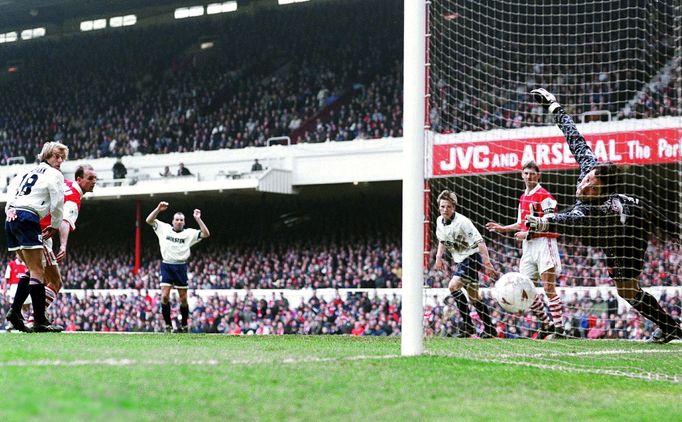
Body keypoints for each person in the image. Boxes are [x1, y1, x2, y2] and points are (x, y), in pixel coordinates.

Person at [526, 88, 682, 343]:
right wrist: (554, 105)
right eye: (587, 180)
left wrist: (544, 221)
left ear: (603, 193)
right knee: (627, 289)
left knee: (626, 290)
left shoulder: (595, 207)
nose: (585, 186)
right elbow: (574, 137)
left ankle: (671, 328)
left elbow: (569, 218)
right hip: (623, 221)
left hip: (629, 235)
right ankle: (670, 327)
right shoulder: (591, 167)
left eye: (593, 187)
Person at [486, 161, 564, 338]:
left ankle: (560, 329)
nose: (529, 176)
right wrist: (503, 228)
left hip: (544, 243)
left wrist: (527, 234)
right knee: (526, 288)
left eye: (532, 173)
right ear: (522, 175)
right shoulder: (523, 197)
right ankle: (546, 323)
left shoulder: (545, 196)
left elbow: (551, 223)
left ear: (538, 175)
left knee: (548, 288)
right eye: (526, 173)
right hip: (528, 248)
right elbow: (520, 224)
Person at [4, 141, 67, 332]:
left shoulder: (26, 173)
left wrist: (10, 211)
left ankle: (15, 313)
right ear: (46, 156)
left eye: (62, 158)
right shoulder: (55, 174)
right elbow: (57, 201)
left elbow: (11, 194)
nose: (60, 161)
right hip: (28, 216)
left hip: (11, 217)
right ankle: (40, 320)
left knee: (32, 269)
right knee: (38, 271)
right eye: (56, 156)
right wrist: (55, 225)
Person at [22, 164, 98, 323]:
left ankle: (25, 315)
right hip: (40, 235)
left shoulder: (66, 184)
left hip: (28, 227)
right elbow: (65, 221)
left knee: (36, 275)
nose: (94, 181)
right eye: (90, 178)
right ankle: (34, 318)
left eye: (95, 178)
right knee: (54, 282)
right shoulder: (74, 197)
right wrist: (63, 245)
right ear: (79, 179)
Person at [434, 190, 498, 338]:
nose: (445, 209)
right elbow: (442, 240)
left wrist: (487, 263)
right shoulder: (439, 221)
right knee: (474, 297)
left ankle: (468, 326)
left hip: (472, 258)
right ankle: (490, 329)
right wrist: (438, 257)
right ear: (439, 207)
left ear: (454, 207)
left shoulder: (463, 222)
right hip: (461, 261)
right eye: (443, 206)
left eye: (448, 207)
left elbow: (480, 242)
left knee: (453, 286)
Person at [146, 201, 210, 333]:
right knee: (164, 296)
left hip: (181, 267)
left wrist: (198, 219)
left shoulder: (189, 233)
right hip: (167, 265)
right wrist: (158, 209)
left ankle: (184, 324)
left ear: (184, 222)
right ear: (173, 221)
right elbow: (149, 220)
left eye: (181, 220)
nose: (179, 222)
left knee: (183, 299)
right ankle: (168, 325)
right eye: (177, 219)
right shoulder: (164, 228)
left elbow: (205, 234)